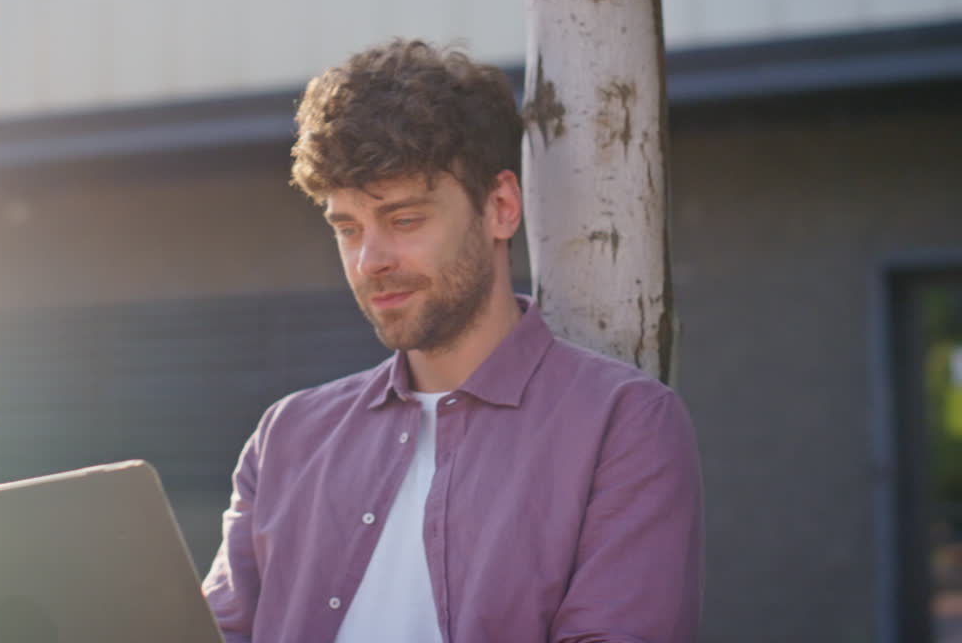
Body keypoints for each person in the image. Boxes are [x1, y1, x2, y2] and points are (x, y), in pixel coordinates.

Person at [201, 39, 703, 643]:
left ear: (500, 207)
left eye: (405, 220)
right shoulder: (286, 437)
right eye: (348, 228)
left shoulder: (623, 423)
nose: (370, 261)